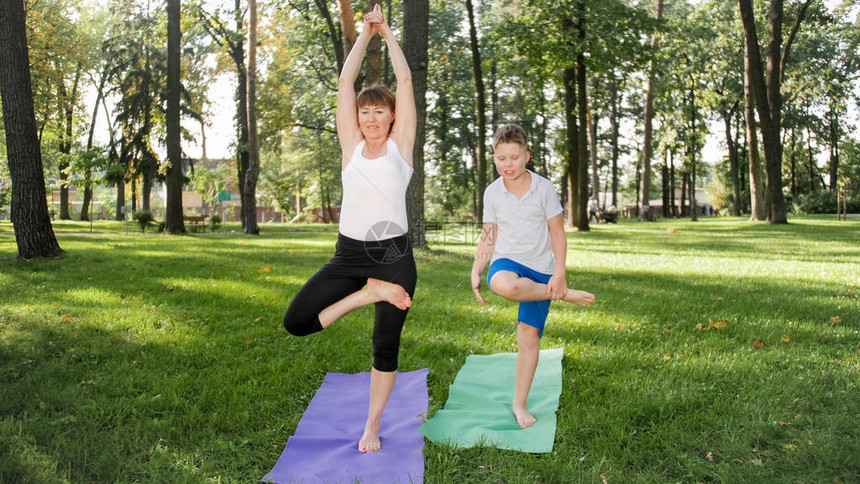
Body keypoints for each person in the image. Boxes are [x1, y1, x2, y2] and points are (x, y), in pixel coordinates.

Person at [282, 4, 417, 454]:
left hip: (393, 258)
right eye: (366, 113)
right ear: (357, 120)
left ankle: (372, 425)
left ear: (392, 118)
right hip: (350, 256)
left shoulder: (401, 148)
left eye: (380, 112)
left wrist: (388, 32)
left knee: (385, 347)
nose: (372, 118)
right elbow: (344, 82)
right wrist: (365, 33)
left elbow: (406, 82)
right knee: (296, 322)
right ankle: (367, 293)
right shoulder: (351, 149)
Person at [471, 124, 595, 429]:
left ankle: (519, 403)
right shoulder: (492, 192)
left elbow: (557, 232)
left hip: (541, 270)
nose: (507, 164)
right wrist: (476, 269)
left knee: (529, 336)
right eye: (501, 158)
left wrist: (560, 273)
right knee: (504, 285)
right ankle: (561, 295)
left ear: (526, 156)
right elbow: (489, 236)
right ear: (494, 158)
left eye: (514, 157)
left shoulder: (544, 188)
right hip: (507, 261)